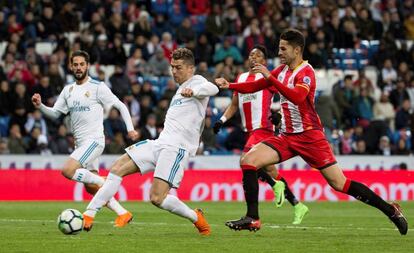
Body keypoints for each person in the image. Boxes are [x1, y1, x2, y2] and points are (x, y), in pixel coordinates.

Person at [215, 29, 408, 235]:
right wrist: (230, 85)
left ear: (297, 50)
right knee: (248, 160)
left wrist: (271, 77)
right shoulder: (282, 70)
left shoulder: (306, 72)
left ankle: (390, 210)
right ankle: (253, 218)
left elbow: (297, 97)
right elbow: (256, 86)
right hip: (287, 137)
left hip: (310, 137)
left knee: (339, 183)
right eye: (279, 48)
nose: (279, 52)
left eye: (283, 48)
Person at [82, 48, 218, 235]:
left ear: (190, 68)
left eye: (178, 68)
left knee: (156, 197)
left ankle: (196, 218)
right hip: (159, 143)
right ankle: (89, 214)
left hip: (176, 149)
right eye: (172, 67)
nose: (174, 71)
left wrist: (194, 90)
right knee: (116, 168)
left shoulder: (198, 82)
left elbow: (213, 88)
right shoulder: (179, 90)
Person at [32, 50, 139, 228]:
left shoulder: (98, 87)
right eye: (76, 64)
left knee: (67, 170)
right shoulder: (68, 90)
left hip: (94, 141)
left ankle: (104, 182)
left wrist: (130, 129)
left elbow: (120, 105)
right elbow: (55, 114)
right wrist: (40, 106)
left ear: (87, 66)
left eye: (82, 64)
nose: (79, 67)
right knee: (90, 187)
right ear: (71, 66)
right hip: (81, 143)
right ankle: (123, 213)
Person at [213, 45, 309, 226]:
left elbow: (285, 96)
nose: (254, 57)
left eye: (258, 55)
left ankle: (259, 207)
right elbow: (234, 104)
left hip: (263, 127)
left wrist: (278, 113)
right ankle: (297, 205)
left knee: (247, 160)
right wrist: (222, 120)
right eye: (251, 55)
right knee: (270, 171)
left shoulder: (267, 77)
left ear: (264, 61)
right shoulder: (241, 78)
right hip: (249, 130)